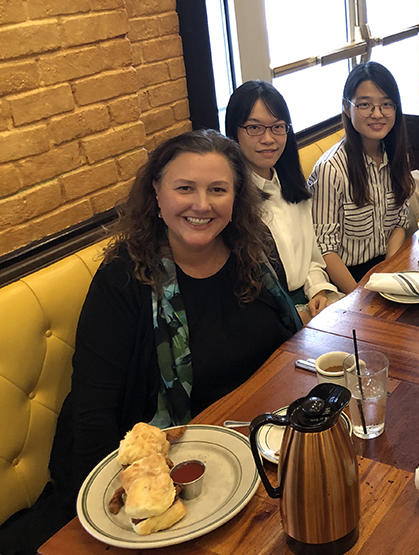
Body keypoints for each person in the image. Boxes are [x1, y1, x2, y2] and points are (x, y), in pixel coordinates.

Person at [2, 130, 301, 553]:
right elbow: (92, 413)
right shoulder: (123, 280)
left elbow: (288, 347)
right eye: (185, 188)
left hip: (257, 450)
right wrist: (122, 508)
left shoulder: (254, 249)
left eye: (218, 189)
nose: (202, 204)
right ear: (157, 194)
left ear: (237, 197)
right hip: (161, 476)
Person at [225, 80, 340, 322]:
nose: (268, 138)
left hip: (308, 306)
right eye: (254, 128)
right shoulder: (229, 201)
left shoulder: (292, 188)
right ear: (234, 132)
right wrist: (298, 315)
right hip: (267, 319)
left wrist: (318, 290)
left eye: (277, 127)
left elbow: (311, 258)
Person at [308, 61, 415, 293]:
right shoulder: (331, 170)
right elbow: (325, 250)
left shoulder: (396, 155)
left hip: (385, 268)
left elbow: (399, 222)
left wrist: (388, 273)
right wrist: (360, 296)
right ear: (347, 108)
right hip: (346, 279)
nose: (377, 114)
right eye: (365, 105)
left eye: (386, 104)